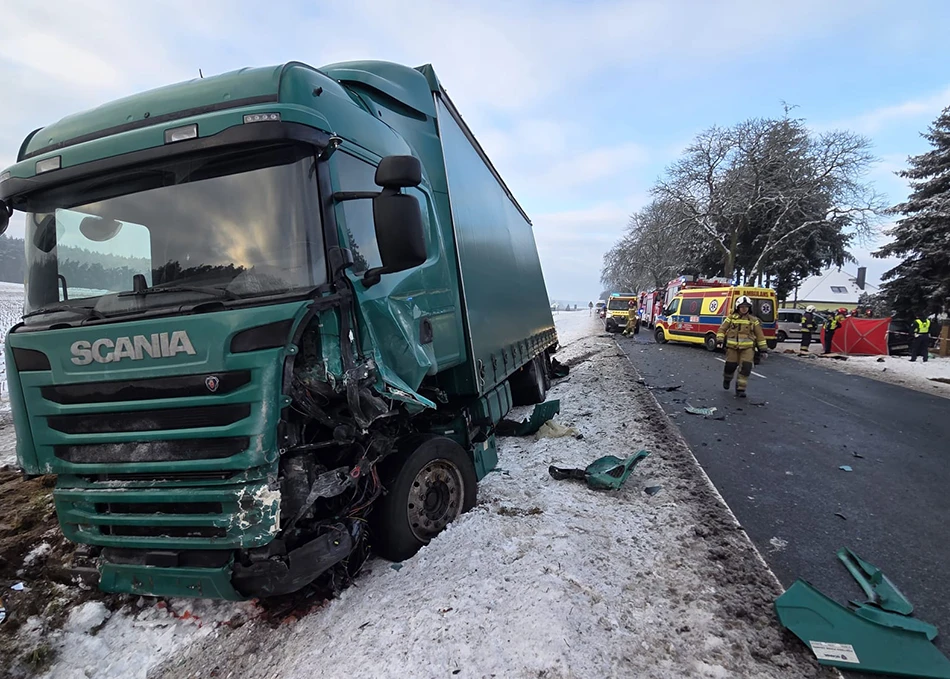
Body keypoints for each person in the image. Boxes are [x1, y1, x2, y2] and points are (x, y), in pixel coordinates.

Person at [716, 295, 768, 397]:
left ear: (749, 308)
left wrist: (763, 350)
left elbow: (760, 336)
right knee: (730, 366)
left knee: (746, 368)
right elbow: (722, 329)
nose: (744, 308)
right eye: (742, 306)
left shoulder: (753, 320)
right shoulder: (730, 318)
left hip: (748, 349)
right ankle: (727, 379)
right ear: (737, 307)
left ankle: (741, 389)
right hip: (732, 348)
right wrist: (720, 340)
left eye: (746, 306)